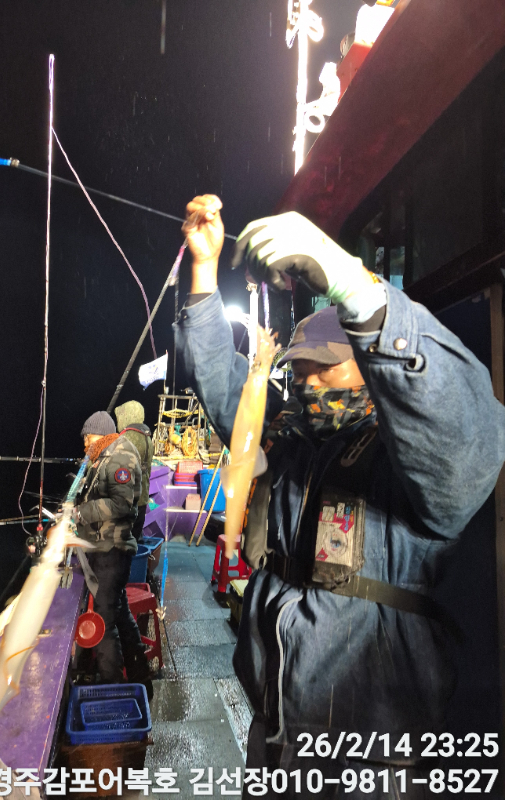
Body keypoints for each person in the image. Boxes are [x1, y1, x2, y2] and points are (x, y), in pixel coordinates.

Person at [175, 195, 505, 798]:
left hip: (374, 757)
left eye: (327, 367)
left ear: (371, 367)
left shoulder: (407, 459)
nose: (309, 381)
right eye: (300, 369)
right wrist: (202, 268)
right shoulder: (292, 440)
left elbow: (461, 430)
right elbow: (221, 383)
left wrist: (353, 285)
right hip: (277, 731)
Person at [72, 410, 152, 698]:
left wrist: (81, 512)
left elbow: (121, 504)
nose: (85, 444)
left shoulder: (120, 457)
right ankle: (141, 675)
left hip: (112, 552)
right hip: (104, 549)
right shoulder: (104, 456)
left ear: (102, 434)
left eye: (88, 438)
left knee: (104, 623)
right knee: (120, 614)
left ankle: (112, 687)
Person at [114, 400, 155, 544]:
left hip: (126, 501)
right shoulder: (147, 437)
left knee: (121, 543)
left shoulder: (126, 438)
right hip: (142, 497)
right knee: (134, 540)